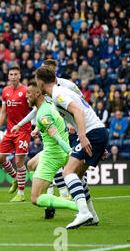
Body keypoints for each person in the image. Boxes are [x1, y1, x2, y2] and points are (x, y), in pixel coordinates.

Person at [35, 65, 108, 229]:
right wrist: (99, 143)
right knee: (79, 176)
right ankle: (92, 216)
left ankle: (83, 213)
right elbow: (84, 108)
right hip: (98, 131)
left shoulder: (58, 94)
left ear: (40, 83)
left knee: (68, 172)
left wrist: (83, 137)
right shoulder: (59, 93)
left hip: (91, 132)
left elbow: (79, 112)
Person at [25, 81, 79, 220]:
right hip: (55, 150)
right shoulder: (50, 104)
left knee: (35, 199)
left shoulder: (42, 114)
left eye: (29, 93)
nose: (27, 96)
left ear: (37, 93)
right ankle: (48, 202)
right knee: (30, 165)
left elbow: (57, 138)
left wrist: (71, 152)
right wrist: (38, 129)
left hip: (53, 154)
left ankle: (77, 206)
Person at [0, 65, 32, 202]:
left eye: (16, 74)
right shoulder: (5, 91)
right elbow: (3, 112)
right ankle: (15, 178)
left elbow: (35, 108)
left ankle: (21, 194)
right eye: (11, 74)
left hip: (23, 130)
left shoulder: (26, 90)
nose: (13, 77)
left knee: (19, 161)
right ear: (8, 76)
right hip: (10, 131)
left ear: (20, 76)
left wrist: (36, 127)